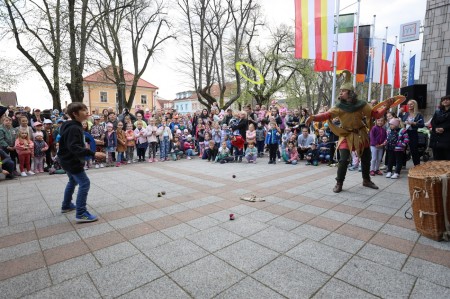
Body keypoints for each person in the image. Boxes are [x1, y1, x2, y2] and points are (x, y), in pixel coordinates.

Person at [306, 70, 392, 193]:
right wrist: (314, 117)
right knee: (343, 159)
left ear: (350, 93)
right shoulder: (338, 106)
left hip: (361, 134)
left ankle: (366, 180)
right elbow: (326, 114)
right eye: (340, 91)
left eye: (343, 91)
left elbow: (375, 114)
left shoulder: (362, 104)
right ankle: (339, 183)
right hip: (346, 135)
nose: (340, 92)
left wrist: (387, 107)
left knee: (367, 157)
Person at [59, 102, 101, 222]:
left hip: (65, 160)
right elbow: (74, 147)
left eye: (86, 109)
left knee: (72, 181)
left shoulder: (70, 125)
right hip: (71, 161)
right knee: (84, 183)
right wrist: (93, 154)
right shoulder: (74, 128)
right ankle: (81, 213)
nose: (87, 112)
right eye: (83, 110)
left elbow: (75, 141)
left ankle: (66, 205)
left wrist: (92, 141)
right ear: (75, 114)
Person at [401, 99, 424, 166]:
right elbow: (402, 122)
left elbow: (422, 125)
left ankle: (417, 165)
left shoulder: (418, 114)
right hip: (405, 133)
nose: (409, 105)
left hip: (413, 133)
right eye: (408, 104)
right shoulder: (406, 114)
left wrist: (413, 123)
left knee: (414, 150)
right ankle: (402, 164)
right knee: (402, 149)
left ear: (415, 105)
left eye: (411, 104)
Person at [429, 95, 450, 160]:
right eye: (443, 100)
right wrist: (435, 129)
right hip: (436, 137)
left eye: (447, 99)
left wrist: (444, 128)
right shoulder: (438, 111)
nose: (445, 101)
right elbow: (433, 122)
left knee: (447, 159)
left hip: (447, 137)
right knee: (437, 159)